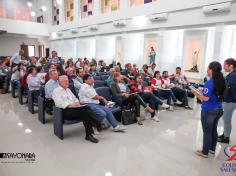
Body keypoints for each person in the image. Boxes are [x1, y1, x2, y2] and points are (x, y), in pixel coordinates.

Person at [192, 61, 226, 158]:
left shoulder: (209, 82)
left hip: (209, 110)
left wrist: (196, 93)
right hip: (219, 109)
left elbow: (206, 98)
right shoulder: (222, 80)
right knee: (213, 129)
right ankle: (212, 149)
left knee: (207, 131)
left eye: (208, 68)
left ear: (211, 70)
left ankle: (205, 152)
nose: (207, 70)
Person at [52, 75, 99, 143]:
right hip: (64, 111)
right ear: (60, 82)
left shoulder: (68, 90)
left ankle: (90, 133)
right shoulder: (56, 91)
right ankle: (96, 124)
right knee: (86, 111)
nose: (67, 82)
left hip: (75, 109)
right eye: (65, 81)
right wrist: (70, 104)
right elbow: (58, 103)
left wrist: (77, 103)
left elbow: (75, 98)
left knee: (86, 109)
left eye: (68, 80)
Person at [218, 58, 236, 144]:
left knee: (226, 119)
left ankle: (226, 137)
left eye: (225, 65)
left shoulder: (233, 75)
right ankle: (225, 134)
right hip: (228, 100)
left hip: (230, 101)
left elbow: (230, 89)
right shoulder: (231, 74)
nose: (224, 66)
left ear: (231, 66)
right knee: (225, 118)